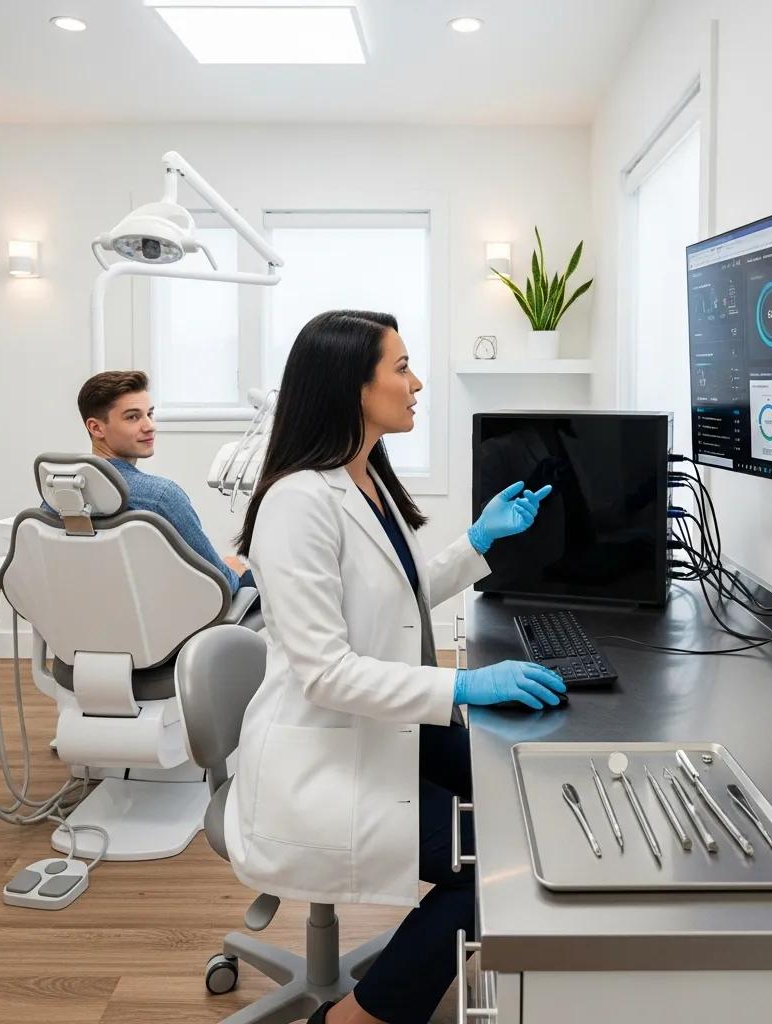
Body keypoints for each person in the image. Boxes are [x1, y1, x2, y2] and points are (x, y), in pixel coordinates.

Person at [228, 310, 565, 1024]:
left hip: (375, 727)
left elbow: (397, 596)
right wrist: (464, 685)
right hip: (319, 757)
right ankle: (357, 1018)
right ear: (355, 387)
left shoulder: (364, 480)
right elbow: (325, 672)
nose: (416, 384)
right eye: (402, 368)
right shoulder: (297, 502)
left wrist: (478, 540)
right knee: (494, 869)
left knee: (516, 782)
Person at [65, 370, 254, 594]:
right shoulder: (160, 497)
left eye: (150, 414)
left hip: (89, 621)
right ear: (96, 428)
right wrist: (233, 570)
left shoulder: (61, 496)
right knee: (255, 576)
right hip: (170, 621)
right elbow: (219, 581)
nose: (149, 426)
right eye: (132, 417)